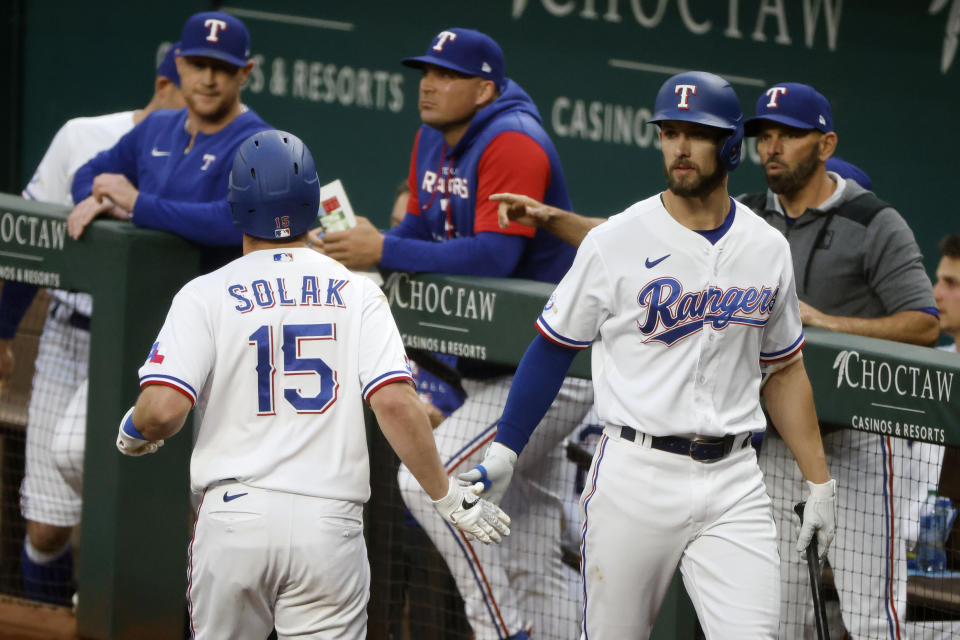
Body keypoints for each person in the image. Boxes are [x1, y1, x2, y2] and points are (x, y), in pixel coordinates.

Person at [460, 70, 836, 639]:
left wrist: (820, 483)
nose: (680, 147)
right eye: (669, 132)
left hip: (735, 479)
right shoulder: (616, 240)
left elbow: (783, 370)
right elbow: (553, 347)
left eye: (697, 133)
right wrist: (508, 449)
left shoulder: (766, 248)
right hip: (635, 475)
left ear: (731, 144)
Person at [115, 129, 510, 639]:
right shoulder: (359, 292)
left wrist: (132, 429)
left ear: (236, 207)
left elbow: (162, 411)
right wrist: (443, 493)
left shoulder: (204, 294)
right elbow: (394, 401)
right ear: (313, 204)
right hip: (330, 527)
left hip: (235, 519)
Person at [317, 28, 593, 640]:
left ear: (484, 88)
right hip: (494, 370)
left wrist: (383, 246)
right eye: (426, 73)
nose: (429, 85)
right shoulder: (431, 140)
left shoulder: (514, 141)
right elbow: (419, 224)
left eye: (445, 75)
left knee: (425, 478)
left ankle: (501, 631)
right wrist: (368, 244)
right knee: (528, 551)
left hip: (549, 370)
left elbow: (497, 256)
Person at [738, 82, 939, 640]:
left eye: (789, 136)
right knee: (772, 620)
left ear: (825, 144)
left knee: (871, 619)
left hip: (857, 441)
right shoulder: (746, 216)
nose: (772, 147)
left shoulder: (875, 221)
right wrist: (557, 219)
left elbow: (925, 323)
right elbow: (640, 236)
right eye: (765, 135)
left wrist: (830, 322)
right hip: (780, 442)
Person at [0, 42, 183, 606]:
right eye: (192, 82)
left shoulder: (212, 155)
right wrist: (3, 332)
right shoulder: (84, 136)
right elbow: (29, 243)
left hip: (145, 347)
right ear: (162, 87)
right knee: (47, 528)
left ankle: (124, 582)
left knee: (89, 464)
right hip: (70, 329)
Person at [67, 11, 270, 247]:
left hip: (209, 281)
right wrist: (100, 201)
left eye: (221, 67)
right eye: (198, 65)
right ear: (180, 65)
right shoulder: (157, 125)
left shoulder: (261, 144)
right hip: (138, 279)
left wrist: (137, 204)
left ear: (244, 72)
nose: (208, 79)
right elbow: (88, 173)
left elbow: (235, 221)